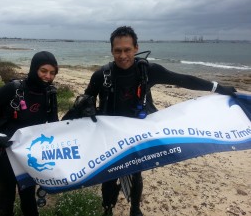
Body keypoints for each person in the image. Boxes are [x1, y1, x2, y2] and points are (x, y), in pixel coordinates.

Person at [83, 26, 236, 216]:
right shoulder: (101, 75)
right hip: (110, 133)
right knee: (109, 174)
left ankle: (135, 208)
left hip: (138, 132)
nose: (123, 55)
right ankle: (108, 208)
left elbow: (183, 79)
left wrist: (218, 87)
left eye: (127, 49)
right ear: (112, 50)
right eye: (118, 50)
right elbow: (85, 99)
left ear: (136, 48)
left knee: (136, 171)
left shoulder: (148, 71)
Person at [0, 51, 59, 216]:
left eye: (52, 73)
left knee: (28, 197)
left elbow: (54, 126)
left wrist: (77, 113)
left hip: (27, 154)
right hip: (1, 153)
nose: (48, 76)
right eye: (43, 71)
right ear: (33, 69)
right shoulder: (14, 89)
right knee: (6, 195)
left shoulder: (49, 94)